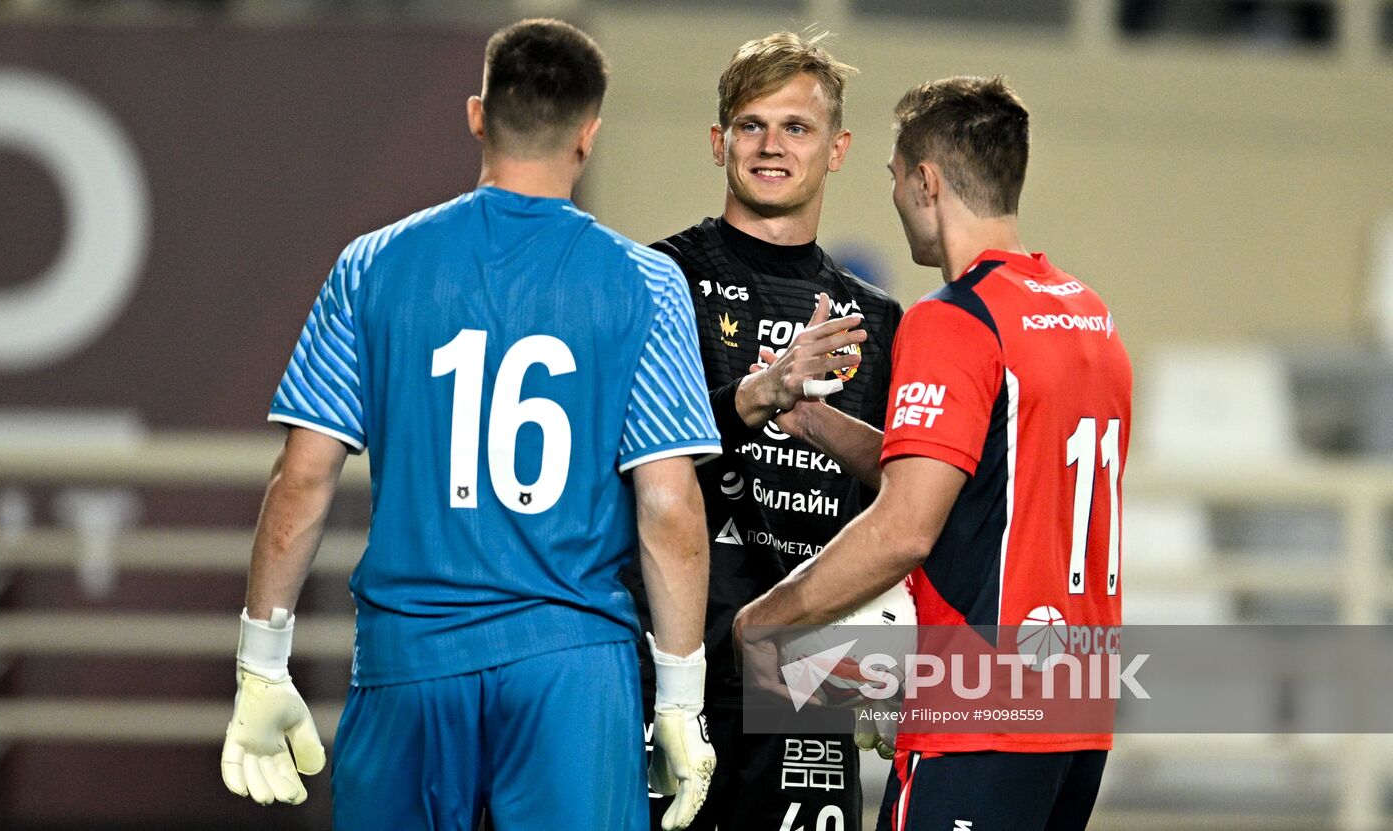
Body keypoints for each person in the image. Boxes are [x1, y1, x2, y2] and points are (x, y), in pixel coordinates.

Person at [219, 19, 721, 831]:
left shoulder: (372, 264)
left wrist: (261, 662)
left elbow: (303, 477)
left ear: (478, 115)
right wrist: (679, 697)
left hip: (410, 659)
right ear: (589, 135)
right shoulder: (646, 284)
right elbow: (668, 505)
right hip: (571, 664)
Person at [734, 76, 1133, 831]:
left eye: (893, 176)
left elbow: (905, 529)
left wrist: (764, 621)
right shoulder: (1090, 317)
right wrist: (814, 422)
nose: (892, 194)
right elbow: (983, 483)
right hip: (1075, 712)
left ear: (926, 181)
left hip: (979, 717)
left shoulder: (955, 318)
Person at [622, 31, 904, 831]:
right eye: (751, 125)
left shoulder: (879, 320)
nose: (771, 145)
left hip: (805, 679)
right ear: (720, 142)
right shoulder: (656, 279)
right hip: (665, 669)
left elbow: (903, 503)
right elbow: (618, 458)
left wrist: (894, 652)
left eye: (796, 127)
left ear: (837, 149)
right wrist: (760, 393)